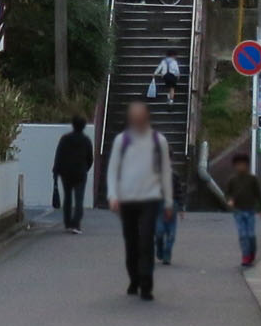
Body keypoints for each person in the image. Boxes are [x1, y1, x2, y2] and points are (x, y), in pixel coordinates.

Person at [102, 100, 173, 300]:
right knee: (131, 242)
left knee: (146, 241)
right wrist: (112, 195)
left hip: (150, 197)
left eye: (140, 116)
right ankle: (134, 278)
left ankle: (146, 283)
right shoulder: (121, 141)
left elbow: (166, 172)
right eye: (134, 116)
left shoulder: (159, 141)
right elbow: (113, 169)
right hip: (127, 199)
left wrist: (168, 201)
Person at [50, 117, 95, 233]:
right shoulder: (86, 140)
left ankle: (68, 222)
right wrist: (85, 168)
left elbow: (59, 155)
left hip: (66, 173)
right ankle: (76, 223)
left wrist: (56, 170)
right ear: (84, 126)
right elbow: (90, 158)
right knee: (79, 199)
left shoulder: (65, 139)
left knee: (68, 198)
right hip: (80, 173)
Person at [221, 152, 261, 268]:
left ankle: (251, 253)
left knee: (250, 235)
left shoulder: (252, 179)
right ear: (235, 166)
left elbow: (258, 194)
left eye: (243, 164)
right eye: (238, 165)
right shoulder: (232, 180)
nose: (241, 167)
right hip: (238, 211)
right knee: (243, 235)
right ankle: (245, 256)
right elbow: (227, 194)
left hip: (250, 210)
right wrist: (229, 200)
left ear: (247, 165)